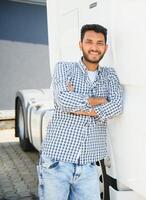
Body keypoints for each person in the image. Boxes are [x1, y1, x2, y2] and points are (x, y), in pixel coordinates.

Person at [37, 24, 123, 200]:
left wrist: (77, 102)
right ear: (80, 44)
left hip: (88, 166)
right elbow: (63, 100)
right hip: (56, 161)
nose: (94, 47)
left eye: (100, 43)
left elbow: (117, 107)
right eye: (89, 41)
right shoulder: (64, 68)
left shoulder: (110, 75)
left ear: (105, 47)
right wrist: (99, 101)